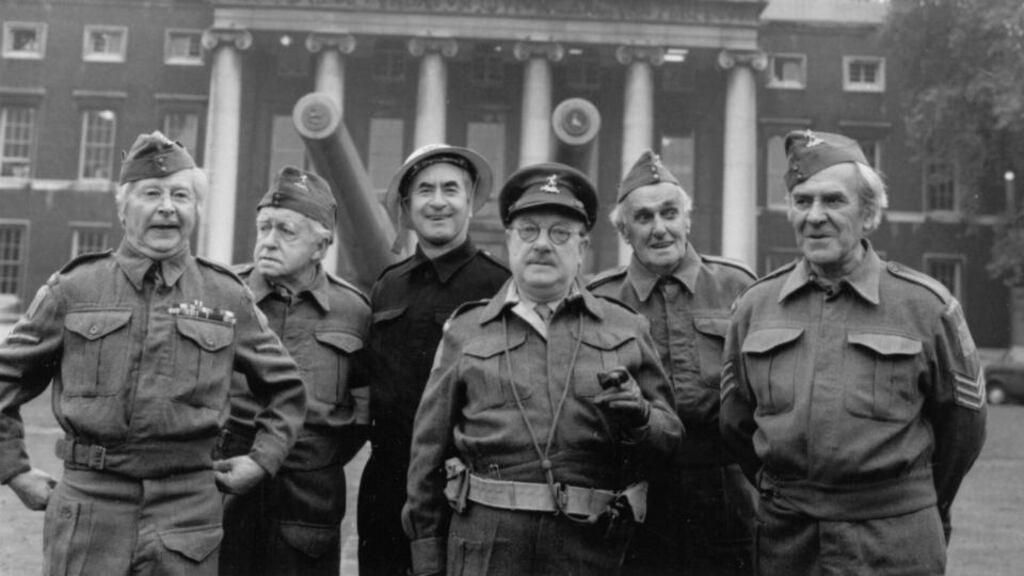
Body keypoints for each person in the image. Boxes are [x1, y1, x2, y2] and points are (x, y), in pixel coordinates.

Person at [0, 132, 307, 575]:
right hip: (90, 507)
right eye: (152, 194)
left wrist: (262, 461)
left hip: (187, 513)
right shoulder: (74, 288)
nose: (167, 206)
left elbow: (287, 389)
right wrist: (14, 472)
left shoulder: (226, 295)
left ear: (196, 211)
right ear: (123, 209)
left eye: (181, 195)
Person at [720, 129, 987, 575]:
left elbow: (963, 431)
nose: (815, 216)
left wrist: (907, 503)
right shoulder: (755, 306)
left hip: (893, 542)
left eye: (833, 201)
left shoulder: (926, 307)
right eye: (802, 201)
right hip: (789, 543)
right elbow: (735, 423)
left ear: (868, 214)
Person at [403, 162, 683, 576]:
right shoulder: (466, 331)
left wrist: (640, 416)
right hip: (487, 546)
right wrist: (427, 559)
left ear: (582, 248)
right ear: (509, 242)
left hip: (589, 547)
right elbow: (426, 455)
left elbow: (670, 439)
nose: (542, 245)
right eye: (529, 231)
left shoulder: (626, 328)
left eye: (560, 234)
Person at [588, 149, 756, 575]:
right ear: (625, 231)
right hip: (636, 494)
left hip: (728, 492)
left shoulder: (739, 287)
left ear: (688, 220)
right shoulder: (599, 300)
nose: (659, 228)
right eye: (644, 218)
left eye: (669, 213)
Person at [358, 144, 510, 576]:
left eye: (451, 189)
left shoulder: (499, 284)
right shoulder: (388, 286)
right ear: (407, 207)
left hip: (465, 486)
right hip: (386, 483)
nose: (438, 201)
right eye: (425, 191)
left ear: (470, 202)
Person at [217, 166, 371, 575]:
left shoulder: (353, 311)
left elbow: (362, 410)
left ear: (321, 246)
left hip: (307, 503)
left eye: (285, 231)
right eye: (263, 227)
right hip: (225, 485)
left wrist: (316, 457)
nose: (268, 241)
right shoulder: (222, 295)